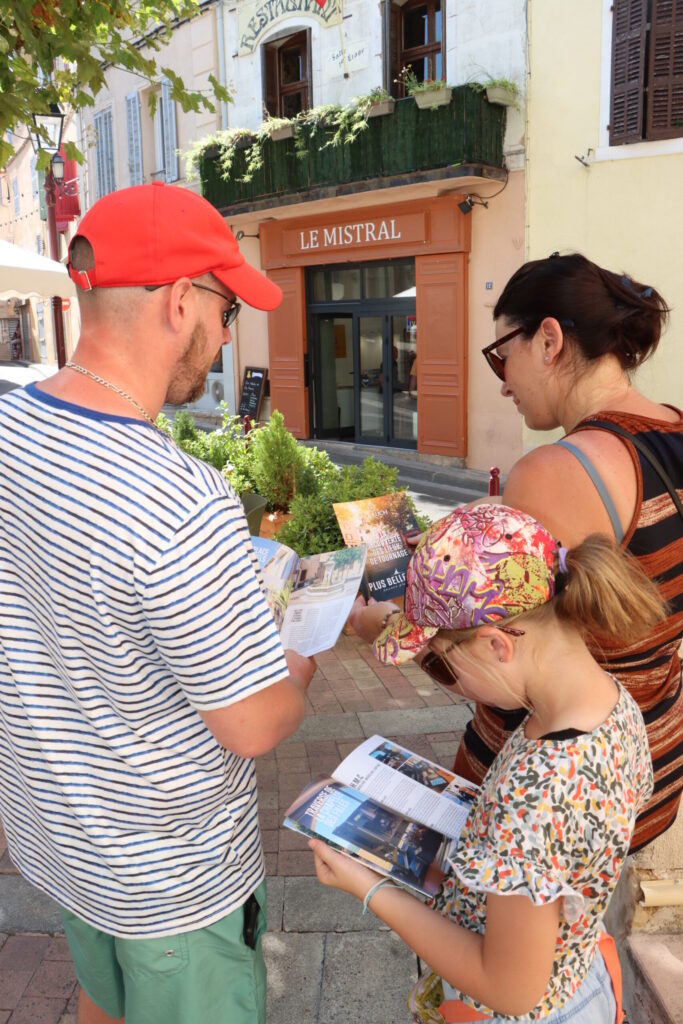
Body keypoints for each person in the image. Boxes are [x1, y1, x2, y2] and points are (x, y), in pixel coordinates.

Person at [0, 181, 317, 1024]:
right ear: (182, 300)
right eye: (225, 313)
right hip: (172, 879)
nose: (222, 338)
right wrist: (303, 652)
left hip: (60, 839)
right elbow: (252, 725)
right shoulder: (181, 498)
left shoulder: (8, 431)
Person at [318, 503, 665, 1023]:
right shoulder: (612, 705)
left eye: (442, 657)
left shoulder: (539, 793)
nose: (443, 673)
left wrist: (368, 887)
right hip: (575, 977)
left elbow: (508, 988)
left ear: (498, 644)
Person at [463, 253, 682, 852]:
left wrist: (403, 622)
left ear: (549, 339)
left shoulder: (556, 470)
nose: (503, 379)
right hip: (650, 760)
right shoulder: (674, 429)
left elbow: (505, 666)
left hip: (556, 795)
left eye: (501, 354)